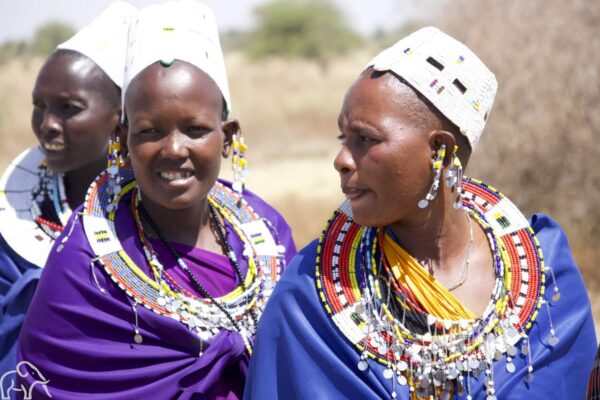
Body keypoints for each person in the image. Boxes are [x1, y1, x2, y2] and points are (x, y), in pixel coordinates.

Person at [244, 26, 596, 399]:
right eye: (342, 138)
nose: (342, 160)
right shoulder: (308, 299)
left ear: (439, 151)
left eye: (365, 139)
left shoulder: (547, 276)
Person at [17, 1, 296, 399]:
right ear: (121, 140)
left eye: (195, 129)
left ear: (228, 136)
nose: (174, 149)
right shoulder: (83, 262)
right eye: (150, 132)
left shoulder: (269, 236)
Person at [0, 1, 136, 377]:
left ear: (120, 120)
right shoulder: (12, 227)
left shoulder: (165, 214)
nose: (47, 124)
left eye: (68, 108)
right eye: (39, 106)